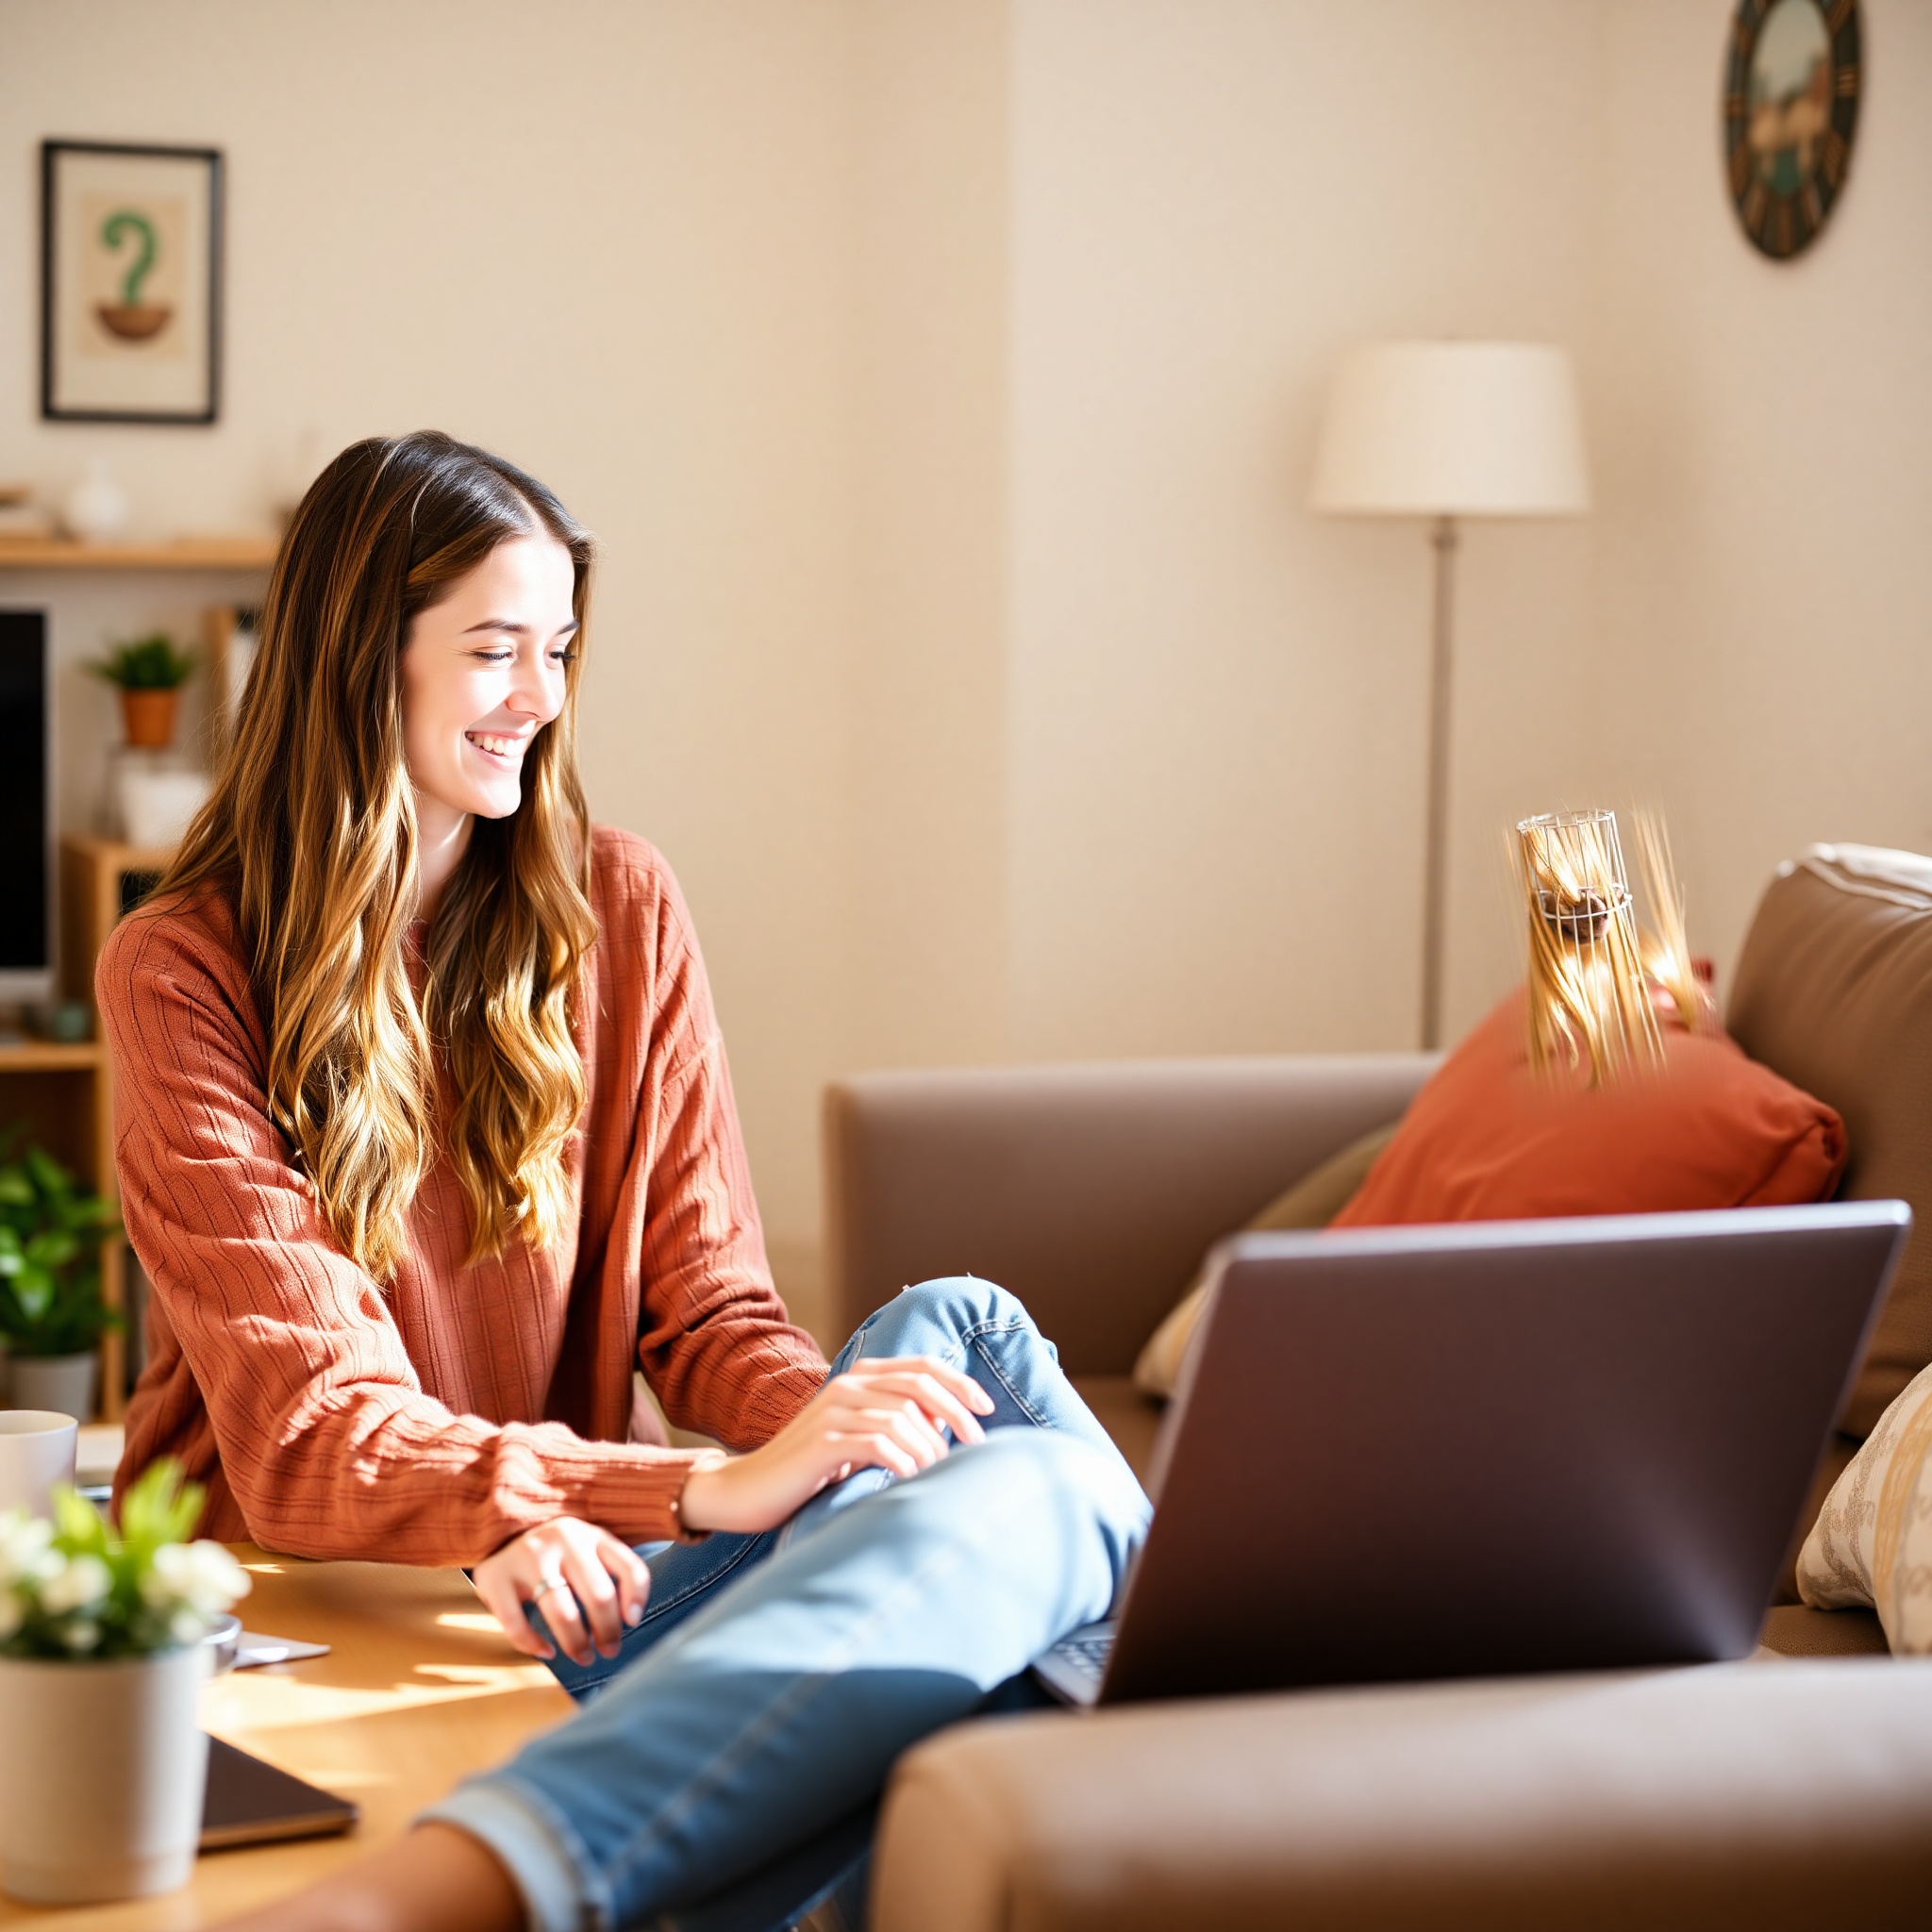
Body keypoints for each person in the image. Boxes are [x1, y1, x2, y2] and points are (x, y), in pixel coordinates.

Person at [99, 432, 1147, 1932]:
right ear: (355, 665)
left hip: (587, 1573)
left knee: (966, 1333)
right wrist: (695, 1488)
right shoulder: (183, 969)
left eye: (561, 648)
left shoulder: (617, 902)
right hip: (358, 1594)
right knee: (1043, 1500)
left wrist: (836, 1453)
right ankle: (1186, 1748)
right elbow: (310, 1433)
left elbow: (710, 1306)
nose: (543, 694)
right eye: (496, 649)